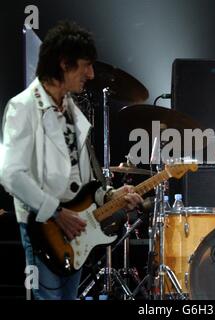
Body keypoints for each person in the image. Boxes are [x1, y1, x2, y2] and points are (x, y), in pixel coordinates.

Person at [0, 21, 143, 300]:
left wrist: (110, 194)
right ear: (64, 64)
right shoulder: (22, 107)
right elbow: (10, 173)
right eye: (85, 65)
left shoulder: (72, 110)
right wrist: (56, 212)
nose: (90, 74)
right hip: (44, 229)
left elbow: (84, 179)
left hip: (75, 229)